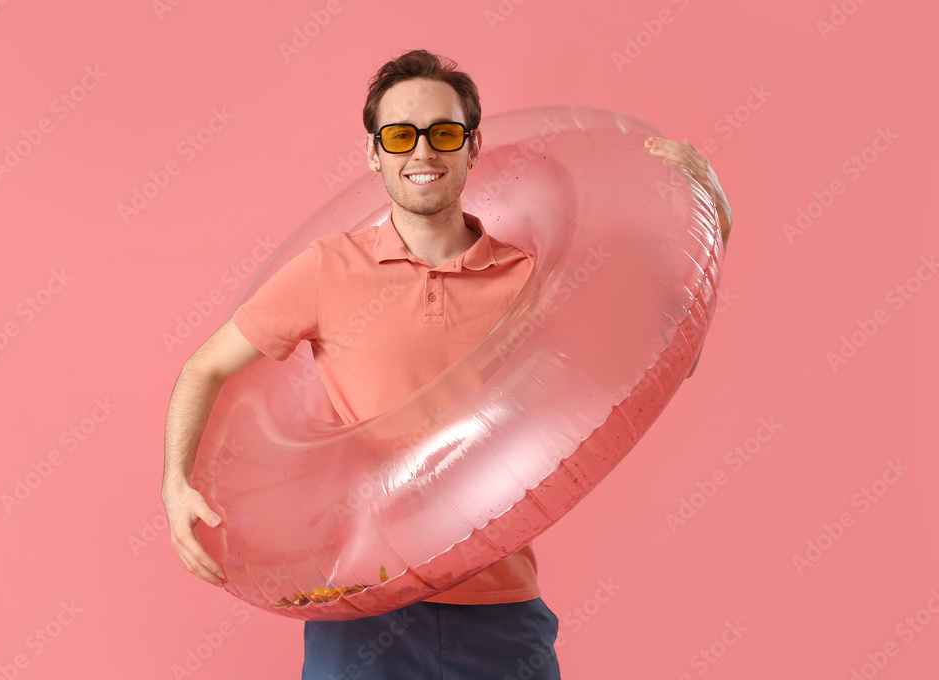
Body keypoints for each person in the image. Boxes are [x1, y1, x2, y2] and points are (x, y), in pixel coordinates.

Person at [162, 49, 733, 679]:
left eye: (444, 133)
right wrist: (175, 485)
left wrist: (711, 214)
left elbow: (664, 358)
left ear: (472, 146)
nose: (423, 153)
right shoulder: (330, 270)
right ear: (375, 153)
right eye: (401, 136)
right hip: (360, 607)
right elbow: (204, 368)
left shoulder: (528, 281)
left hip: (499, 609)